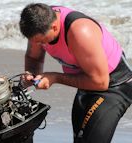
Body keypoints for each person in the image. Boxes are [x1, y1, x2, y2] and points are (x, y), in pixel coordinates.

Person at [19, 3, 132, 143]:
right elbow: (33, 58)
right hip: (86, 83)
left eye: (42, 41)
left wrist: (55, 78)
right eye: (34, 41)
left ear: (54, 27)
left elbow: (100, 82)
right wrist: (32, 75)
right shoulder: (39, 21)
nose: (40, 44)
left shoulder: (81, 32)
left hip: (114, 85)